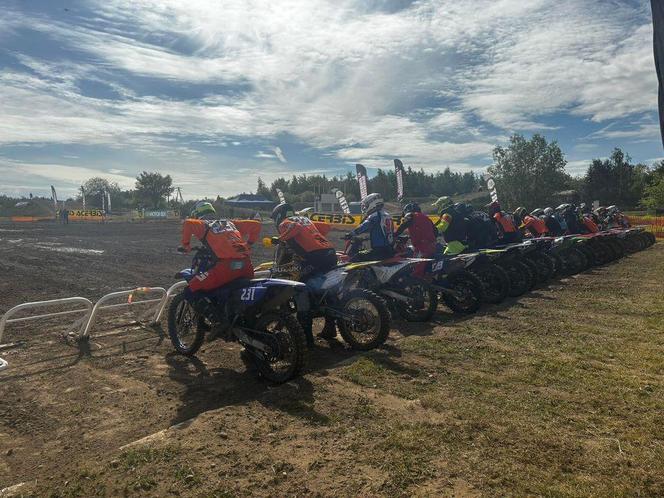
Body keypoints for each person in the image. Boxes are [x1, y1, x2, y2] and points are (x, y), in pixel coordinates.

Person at [271, 203, 338, 343]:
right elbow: (325, 227)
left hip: (316, 258)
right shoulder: (304, 219)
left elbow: (295, 229)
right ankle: (330, 327)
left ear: (278, 216)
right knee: (327, 289)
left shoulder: (286, 223)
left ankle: (306, 337)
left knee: (299, 287)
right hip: (331, 254)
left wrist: (280, 239)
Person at [179, 201, 254, 293]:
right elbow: (256, 225)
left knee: (193, 285)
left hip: (226, 267)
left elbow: (188, 223)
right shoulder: (229, 222)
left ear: (197, 215)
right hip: (246, 265)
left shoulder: (204, 224)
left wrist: (186, 245)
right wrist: (249, 243)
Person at [345, 193, 395, 261]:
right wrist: (367, 237)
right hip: (389, 249)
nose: (365, 207)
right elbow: (381, 230)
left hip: (379, 251)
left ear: (372, 204)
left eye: (367, 205)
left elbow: (364, 226)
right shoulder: (387, 215)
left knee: (356, 258)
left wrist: (351, 234)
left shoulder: (375, 215)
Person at [394, 202, 437, 276]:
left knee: (416, 268)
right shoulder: (426, 217)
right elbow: (436, 231)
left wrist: (394, 235)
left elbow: (402, 227)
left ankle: (416, 285)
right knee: (425, 266)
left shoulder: (410, 215)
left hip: (422, 247)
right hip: (432, 245)